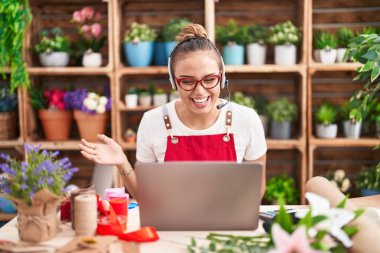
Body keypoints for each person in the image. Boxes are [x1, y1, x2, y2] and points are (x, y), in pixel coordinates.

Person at [79, 23, 267, 201]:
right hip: (171, 230)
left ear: (222, 77)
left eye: (210, 79)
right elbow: (147, 198)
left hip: (228, 228)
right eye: (187, 81)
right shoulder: (153, 121)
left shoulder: (246, 120)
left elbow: (256, 190)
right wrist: (122, 163)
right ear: (173, 81)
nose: (200, 91)